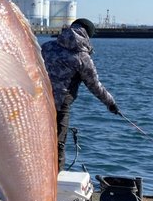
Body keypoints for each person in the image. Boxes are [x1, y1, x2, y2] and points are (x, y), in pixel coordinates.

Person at [41, 18, 119, 170]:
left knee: (38, 141)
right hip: (60, 104)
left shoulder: (47, 47)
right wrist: (111, 103)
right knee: (57, 144)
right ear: (87, 35)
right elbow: (94, 85)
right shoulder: (82, 57)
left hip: (38, 101)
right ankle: (54, 180)